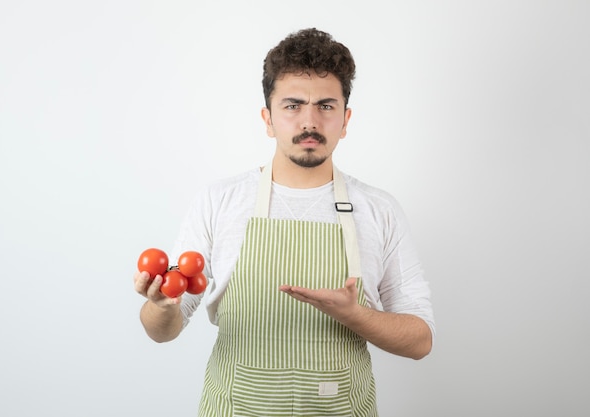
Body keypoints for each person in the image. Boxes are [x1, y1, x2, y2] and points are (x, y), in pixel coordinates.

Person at [134, 27, 435, 416]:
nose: (309, 121)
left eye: (326, 106)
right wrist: (160, 306)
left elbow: (420, 341)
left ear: (345, 120)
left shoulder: (379, 209)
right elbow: (165, 330)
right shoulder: (220, 201)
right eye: (293, 105)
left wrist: (355, 315)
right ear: (268, 118)